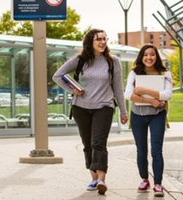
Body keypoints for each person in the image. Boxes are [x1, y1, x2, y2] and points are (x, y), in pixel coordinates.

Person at [52, 29, 128, 195]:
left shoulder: (113, 61)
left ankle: (101, 179)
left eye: (104, 38)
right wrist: (73, 89)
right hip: (81, 108)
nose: (102, 42)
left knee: (98, 142)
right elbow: (58, 76)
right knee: (87, 144)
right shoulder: (80, 60)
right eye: (98, 39)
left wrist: (123, 111)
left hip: (104, 106)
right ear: (90, 42)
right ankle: (93, 179)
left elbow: (118, 87)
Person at [123, 44, 173, 197]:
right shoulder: (134, 73)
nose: (149, 58)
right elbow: (128, 94)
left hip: (157, 115)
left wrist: (144, 90)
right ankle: (145, 179)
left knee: (156, 150)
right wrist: (152, 101)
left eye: (152, 54)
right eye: (145, 55)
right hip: (138, 115)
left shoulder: (165, 73)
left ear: (156, 56)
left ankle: (158, 184)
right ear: (141, 57)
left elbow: (167, 95)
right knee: (141, 150)